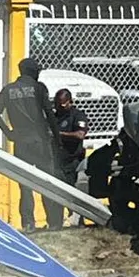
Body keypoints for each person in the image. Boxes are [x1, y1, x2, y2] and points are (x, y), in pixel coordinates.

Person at [0, 58, 64, 232]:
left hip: (21, 141)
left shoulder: (9, 90)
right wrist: (57, 139)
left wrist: (8, 132)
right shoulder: (39, 88)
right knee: (48, 181)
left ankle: (28, 223)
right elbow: (49, 114)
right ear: (32, 71)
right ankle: (53, 222)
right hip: (40, 141)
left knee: (25, 184)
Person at [53, 88, 89, 227]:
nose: (59, 107)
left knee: (72, 193)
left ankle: (78, 221)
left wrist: (59, 134)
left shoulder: (77, 116)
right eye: (57, 104)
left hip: (72, 161)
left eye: (62, 104)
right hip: (57, 161)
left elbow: (80, 135)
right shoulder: (55, 117)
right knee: (56, 194)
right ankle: (56, 223)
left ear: (70, 102)